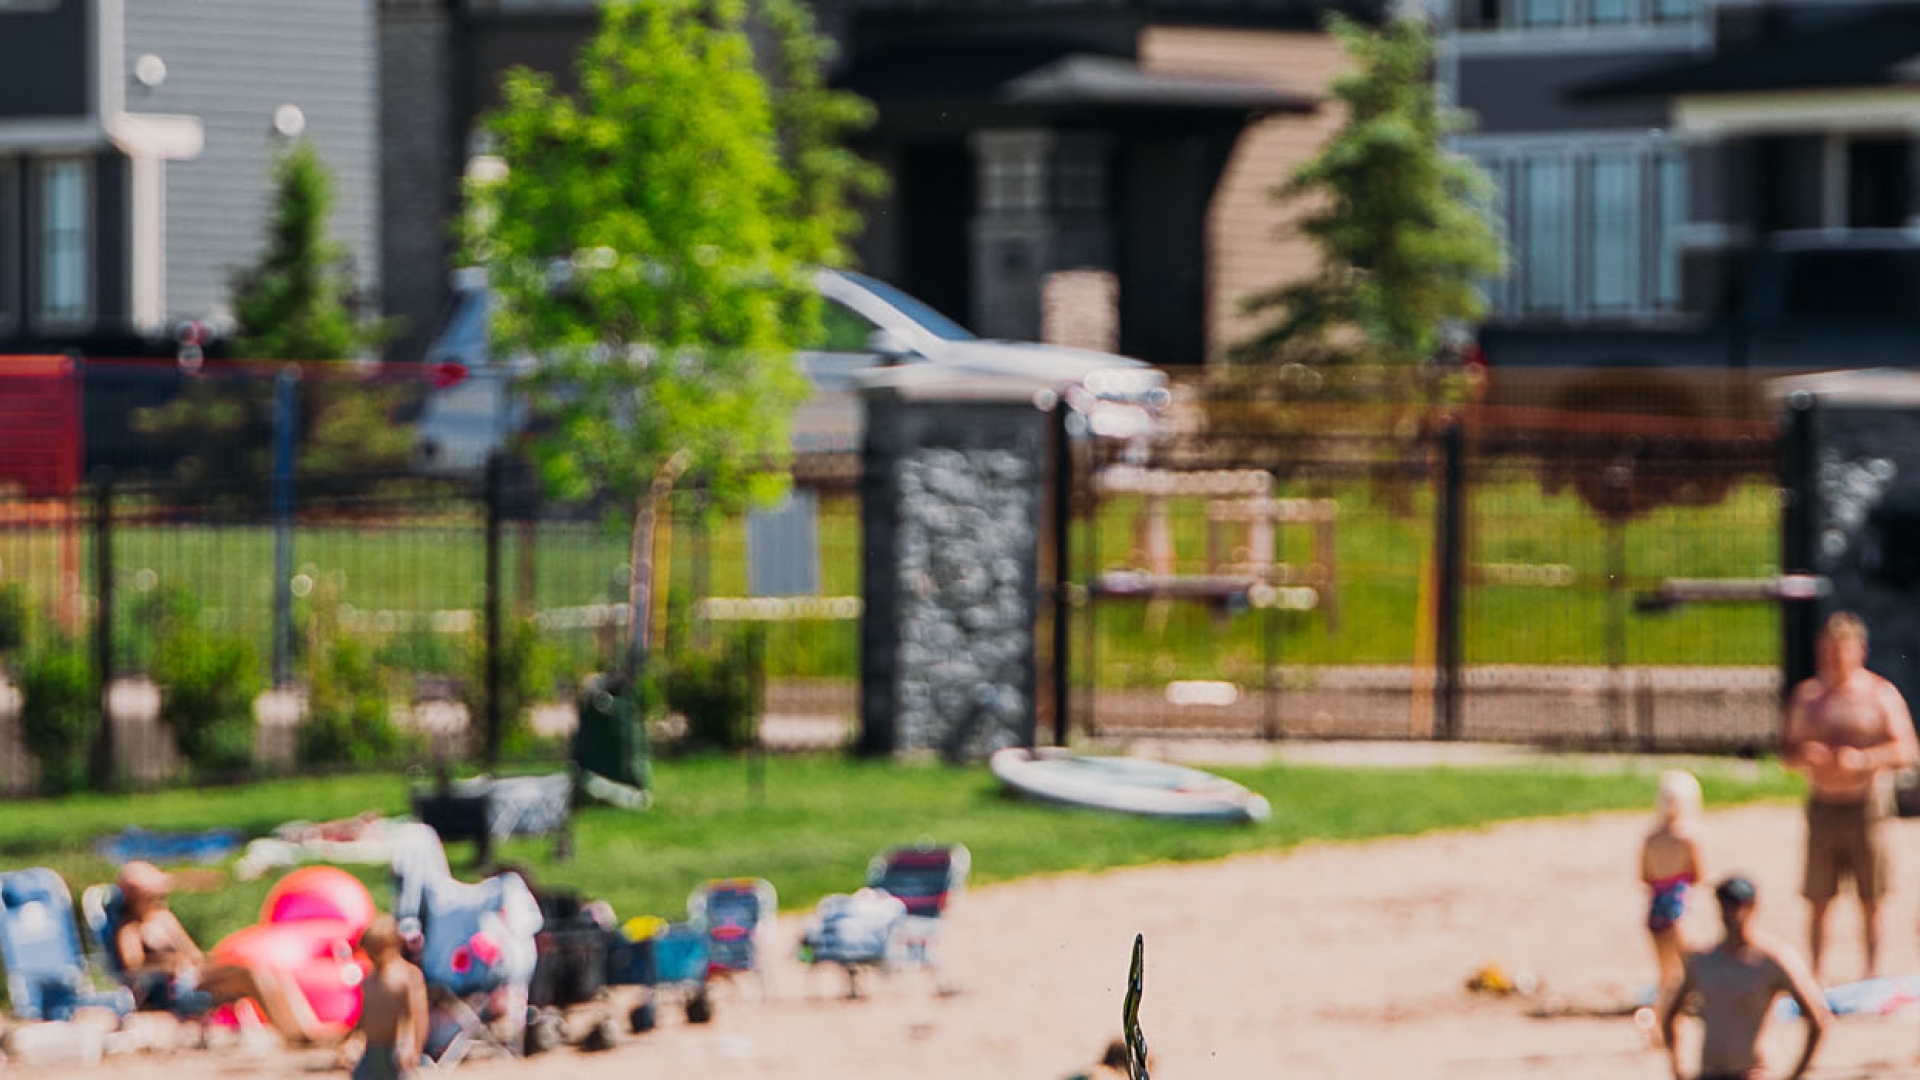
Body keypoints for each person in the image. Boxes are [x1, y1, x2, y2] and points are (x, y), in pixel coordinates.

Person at [1781, 611, 1919, 980]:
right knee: (1818, 898)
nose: (1834, 661)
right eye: (1828, 652)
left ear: (1859, 651)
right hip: (1823, 804)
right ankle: (1817, 972)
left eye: (1841, 652)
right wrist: (1806, 756)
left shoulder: (1878, 695)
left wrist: (1865, 760)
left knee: (1872, 897)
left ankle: (1871, 973)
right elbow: (1787, 753)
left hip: (1866, 806)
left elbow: (1907, 749)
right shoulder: (1808, 697)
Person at [112, 861, 343, 1046]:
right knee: (251, 975)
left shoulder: (164, 919)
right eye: (153, 895)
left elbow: (194, 956)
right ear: (136, 898)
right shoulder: (130, 929)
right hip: (174, 988)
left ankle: (306, 1027)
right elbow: (131, 968)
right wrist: (167, 963)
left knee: (267, 971)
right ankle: (295, 1034)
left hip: (195, 976)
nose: (159, 899)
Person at [1659, 876, 1829, 1080]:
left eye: (1736, 905)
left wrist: (1795, 1074)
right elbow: (1669, 1016)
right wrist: (1677, 1067)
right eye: (1724, 904)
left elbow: (1818, 1018)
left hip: (1752, 1071)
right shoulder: (1703, 962)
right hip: (1709, 1072)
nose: (1729, 913)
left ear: (1752, 907)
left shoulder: (1772, 961)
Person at [1643, 770, 1706, 999]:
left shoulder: (1650, 838)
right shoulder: (1688, 838)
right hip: (1679, 902)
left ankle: (1666, 1004)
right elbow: (1698, 874)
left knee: (1665, 970)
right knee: (1690, 962)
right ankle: (1690, 999)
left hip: (1656, 902)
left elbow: (1644, 875)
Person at [351, 915, 428, 1080]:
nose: (372, 958)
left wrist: (413, 1046)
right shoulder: (370, 978)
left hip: (396, 1049)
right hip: (371, 1048)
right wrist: (353, 1039)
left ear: (392, 946)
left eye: (375, 952)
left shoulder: (408, 976)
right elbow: (364, 1014)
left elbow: (416, 1016)